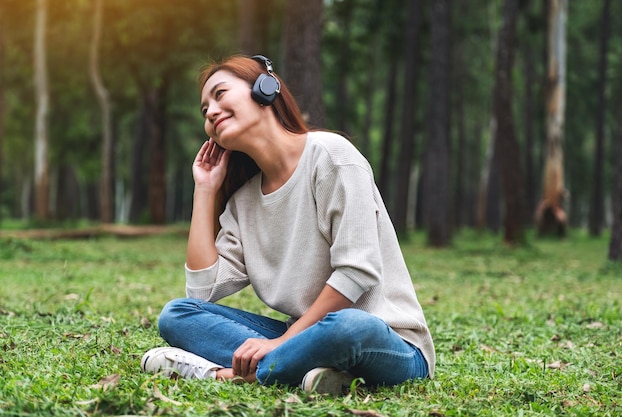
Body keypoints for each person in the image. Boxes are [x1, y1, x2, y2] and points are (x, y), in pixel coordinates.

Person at [140, 55, 436, 394]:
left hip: (388, 343)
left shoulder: (331, 156)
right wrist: (205, 191)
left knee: (348, 327)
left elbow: (357, 271)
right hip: (307, 337)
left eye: (220, 94)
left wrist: (281, 342)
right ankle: (315, 373)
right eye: (204, 109)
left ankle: (223, 375)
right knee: (177, 314)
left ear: (266, 90)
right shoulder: (243, 202)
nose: (209, 111)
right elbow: (203, 292)